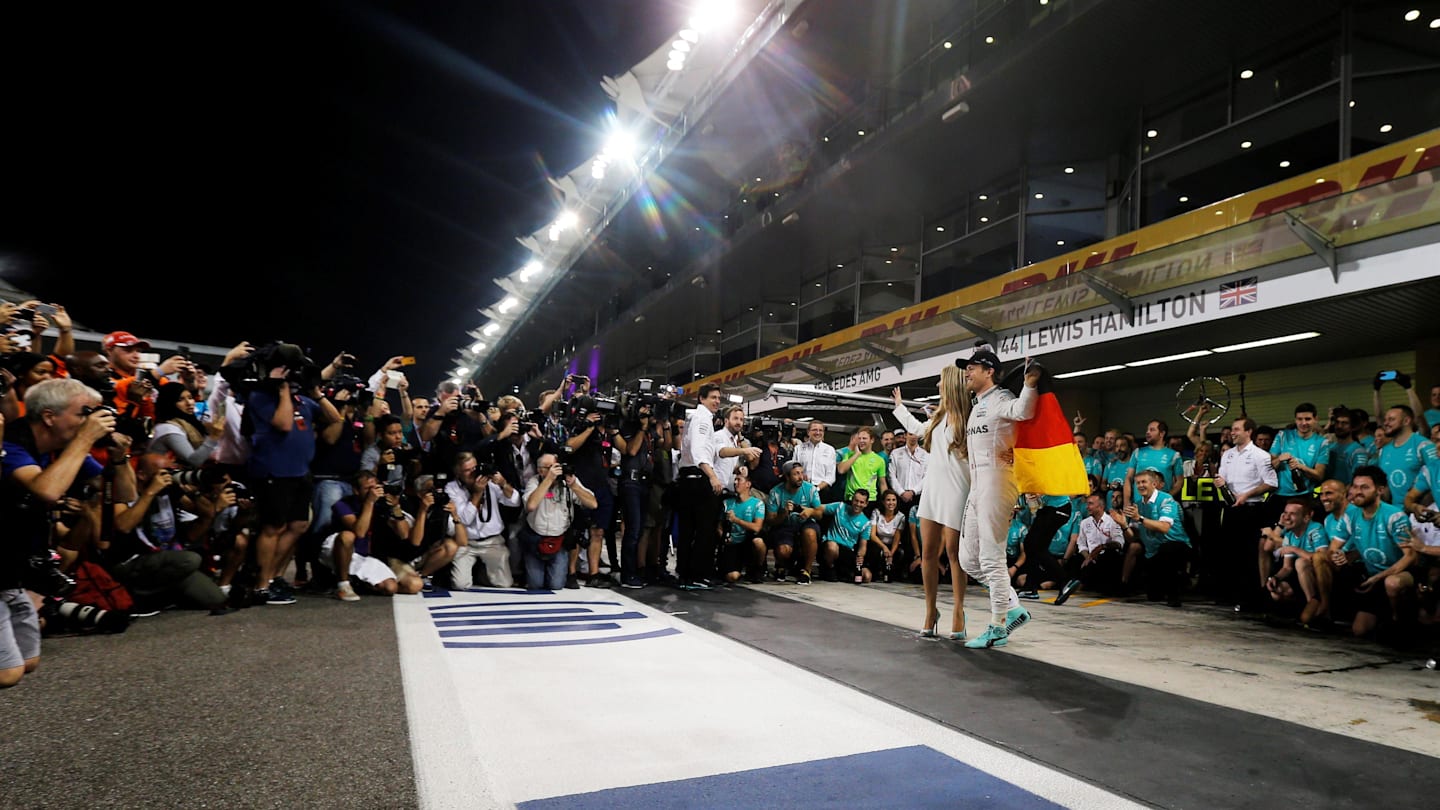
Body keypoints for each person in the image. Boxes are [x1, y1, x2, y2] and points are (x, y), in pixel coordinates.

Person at [957, 346, 1040, 650]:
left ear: (989, 370)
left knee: (991, 558)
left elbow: (1024, 411)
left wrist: (1030, 384)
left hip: (998, 484)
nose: (967, 371)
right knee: (968, 559)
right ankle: (1014, 608)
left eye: (972, 367)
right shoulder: (977, 404)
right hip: (978, 487)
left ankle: (998, 626)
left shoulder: (1002, 398)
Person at [890, 363, 974, 641]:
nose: (937, 386)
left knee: (954, 554)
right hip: (933, 490)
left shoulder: (968, 418)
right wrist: (900, 407)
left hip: (958, 490)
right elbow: (916, 428)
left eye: (940, 381)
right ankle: (930, 611)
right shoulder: (938, 418)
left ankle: (959, 611)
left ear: (951, 384)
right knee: (928, 553)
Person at [1214, 416, 1278, 610]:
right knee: (1230, 553)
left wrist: (1247, 494)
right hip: (1231, 508)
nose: (1232, 433)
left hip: (1251, 509)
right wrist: (1221, 484)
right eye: (1232, 429)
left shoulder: (1260, 455)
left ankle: (1251, 598)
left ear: (1249, 431)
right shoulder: (1227, 455)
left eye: (1236, 429)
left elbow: (1271, 483)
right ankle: (1232, 595)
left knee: (1249, 555)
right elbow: (1222, 477)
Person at [673, 383, 725, 589]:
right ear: (701, 399)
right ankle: (692, 575)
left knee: (689, 529)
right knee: (701, 530)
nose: (717, 401)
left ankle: (687, 574)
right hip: (697, 477)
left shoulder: (698, 418)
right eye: (713, 397)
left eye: (718, 398)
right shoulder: (702, 418)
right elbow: (698, 451)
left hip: (689, 478)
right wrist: (712, 476)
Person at [520, 453, 597, 591]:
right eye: (549, 467)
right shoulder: (535, 481)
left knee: (556, 585)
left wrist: (574, 486)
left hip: (559, 540)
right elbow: (530, 505)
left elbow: (593, 504)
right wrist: (548, 480)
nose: (553, 470)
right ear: (540, 470)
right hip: (536, 539)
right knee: (535, 585)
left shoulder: (567, 482)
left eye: (555, 466)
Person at [446, 452, 521, 589]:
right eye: (467, 470)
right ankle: (477, 572)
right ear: (458, 473)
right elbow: (464, 520)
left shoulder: (489, 481)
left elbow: (514, 501)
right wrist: (477, 494)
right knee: (460, 585)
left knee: (504, 584)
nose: (473, 473)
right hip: (466, 543)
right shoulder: (452, 488)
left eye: (474, 468)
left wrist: (504, 484)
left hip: (492, 541)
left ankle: (483, 574)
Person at [1119, 470, 1192, 607]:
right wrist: (1123, 525)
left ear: (1154, 484)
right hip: (1153, 550)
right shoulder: (1138, 504)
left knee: (1168, 549)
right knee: (1153, 596)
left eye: (1144, 482)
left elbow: (1164, 527)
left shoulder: (1166, 500)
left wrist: (1139, 518)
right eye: (1138, 483)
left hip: (1175, 544)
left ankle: (1176, 591)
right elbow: (1133, 538)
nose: (1140, 485)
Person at [764, 460, 823, 584]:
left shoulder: (811, 489)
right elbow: (770, 520)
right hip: (785, 526)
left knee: (810, 533)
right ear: (787, 476)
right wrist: (783, 514)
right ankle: (781, 566)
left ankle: (806, 571)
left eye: (801, 473)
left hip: (805, 524)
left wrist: (810, 511)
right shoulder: (776, 492)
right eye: (796, 474)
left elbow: (820, 513)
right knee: (783, 550)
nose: (800, 477)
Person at [150, 383, 223, 468]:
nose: (189, 403)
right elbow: (194, 461)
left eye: (190, 398)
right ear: (169, 403)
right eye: (181, 399)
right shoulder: (168, 429)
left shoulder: (190, 423)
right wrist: (213, 437)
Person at [719, 467, 767, 584]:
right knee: (732, 577)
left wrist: (736, 520)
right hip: (732, 543)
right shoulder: (727, 503)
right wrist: (723, 537)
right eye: (735, 480)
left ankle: (758, 569)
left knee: (758, 542)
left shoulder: (757, 503)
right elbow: (719, 525)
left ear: (748, 484)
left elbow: (757, 527)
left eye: (739, 480)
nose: (735, 483)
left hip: (747, 541)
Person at [818, 489, 873, 582]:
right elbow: (820, 508)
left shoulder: (866, 523)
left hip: (847, 552)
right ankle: (829, 568)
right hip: (830, 547)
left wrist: (860, 557)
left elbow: (863, 545)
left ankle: (843, 573)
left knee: (867, 576)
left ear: (866, 504)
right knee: (832, 546)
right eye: (856, 500)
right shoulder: (840, 507)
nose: (858, 504)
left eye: (861, 502)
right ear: (852, 499)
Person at [870, 490, 907, 583]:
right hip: (878, 542)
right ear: (883, 502)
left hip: (893, 545)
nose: (891, 503)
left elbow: (897, 537)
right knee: (874, 551)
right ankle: (875, 573)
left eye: (894, 500)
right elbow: (872, 535)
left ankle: (894, 574)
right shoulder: (876, 512)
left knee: (900, 553)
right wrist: (884, 547)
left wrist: (891, 553)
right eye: (888, 500)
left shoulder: (901, 517)